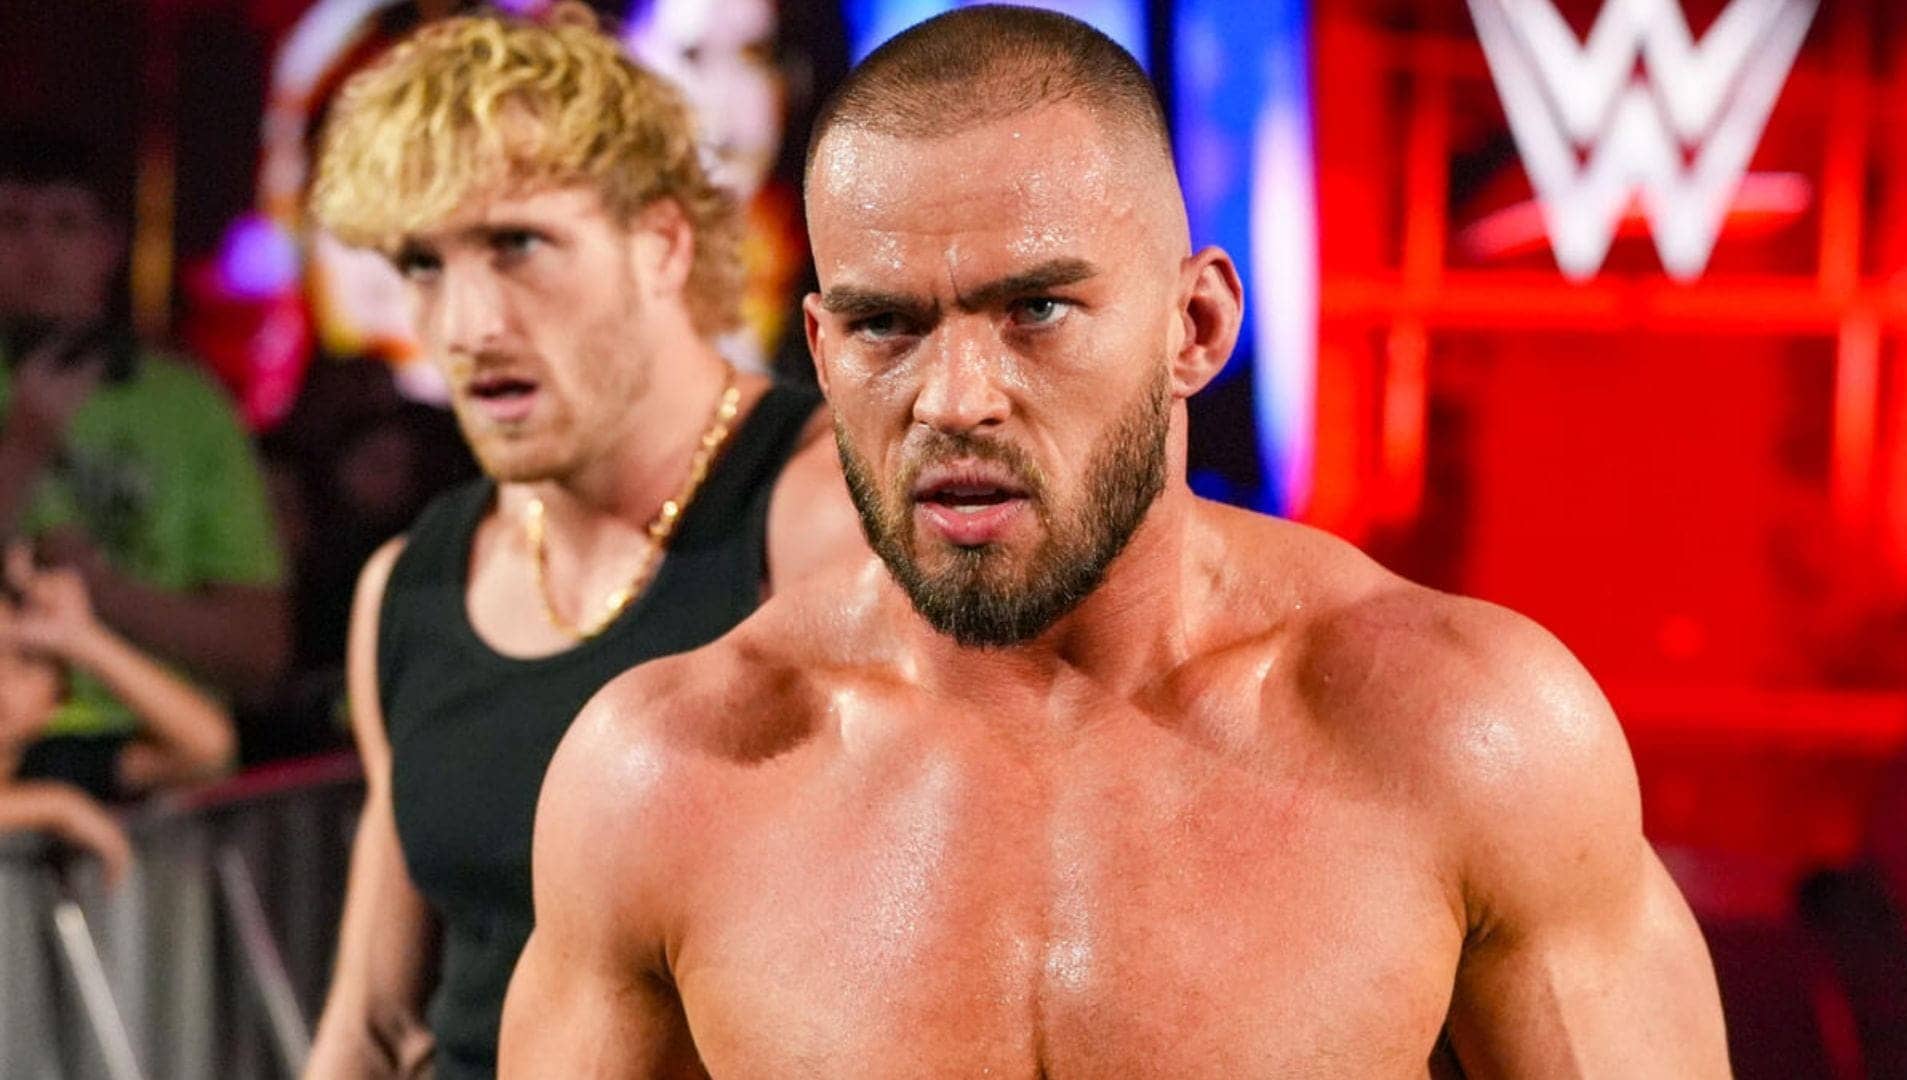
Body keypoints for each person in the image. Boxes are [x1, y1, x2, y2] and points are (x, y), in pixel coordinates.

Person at [502, 7, 1731, 1077]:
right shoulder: (662, 782)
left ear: (1195, 326)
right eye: (886, 327)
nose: (955, 400)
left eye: (1036, 309)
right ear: (820, 352)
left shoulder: (1470, 735)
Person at [300, 6, 860, 1077]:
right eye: (423, 264)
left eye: (517, 244)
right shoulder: (407, 588)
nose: (468, 325)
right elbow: (370, 1026)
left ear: (661, 243)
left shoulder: (821, 517)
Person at [0, 125, 290, 744]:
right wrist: (24, 447)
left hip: (156, 748)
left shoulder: (188, 405)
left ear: (110, 245)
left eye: (65, 224)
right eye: (12, 223)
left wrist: (94, 589)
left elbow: (257, 652)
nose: (38, 248)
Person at [0, 547, 236, 885]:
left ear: (59, 695)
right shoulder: (55, 796)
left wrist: (83, 638)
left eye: (26, 660)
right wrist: (56, 807)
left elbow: (207, 748)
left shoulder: (53, 764)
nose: (2, 678)